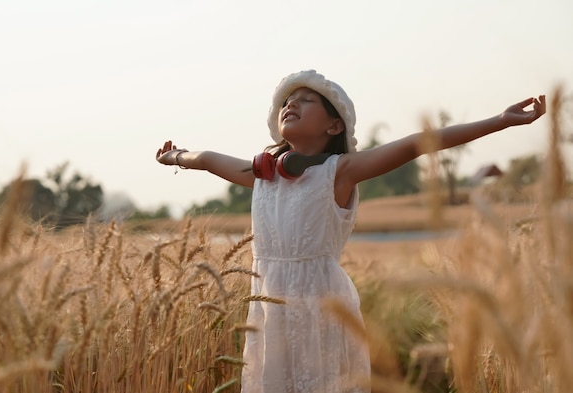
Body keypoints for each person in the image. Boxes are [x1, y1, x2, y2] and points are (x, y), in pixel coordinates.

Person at [156, 69, 546, 393]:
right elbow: (206, 159)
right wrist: (174, 156)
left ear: (334, 124)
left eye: (306, 100)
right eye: (288, 102)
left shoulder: (338, 172)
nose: (291, 104)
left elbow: (417, 145)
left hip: (322, 308)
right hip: (268, 310)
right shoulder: (262, 174)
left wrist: (499, 121)